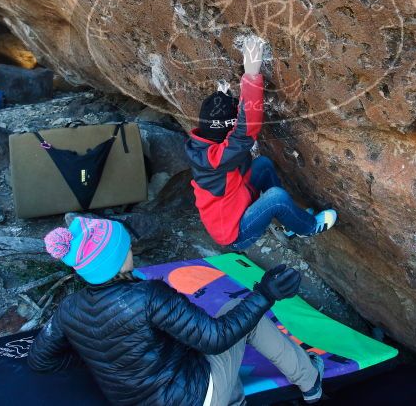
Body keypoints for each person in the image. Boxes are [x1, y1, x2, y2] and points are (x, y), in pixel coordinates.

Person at [28, 217, 326, 405]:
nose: (132, 250)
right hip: (196, 397)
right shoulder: (147, 296)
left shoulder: (68, 309)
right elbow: (215, 339)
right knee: (239, 310)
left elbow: (39, 360)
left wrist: (100, 356)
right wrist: (265, 294)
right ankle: (310, 380)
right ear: (118, 260)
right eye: (126, 247)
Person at [185, 38, 337, 249]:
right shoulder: (217, 159)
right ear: (227, 129)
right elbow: (246, 128)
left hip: (236, 201)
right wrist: (251, 76)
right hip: (236, 233)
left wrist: (225, 96)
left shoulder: (204, 144)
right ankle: (308, 228)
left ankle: (290, 221)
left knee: (263, 165)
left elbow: (233, 128)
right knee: (276, 198)